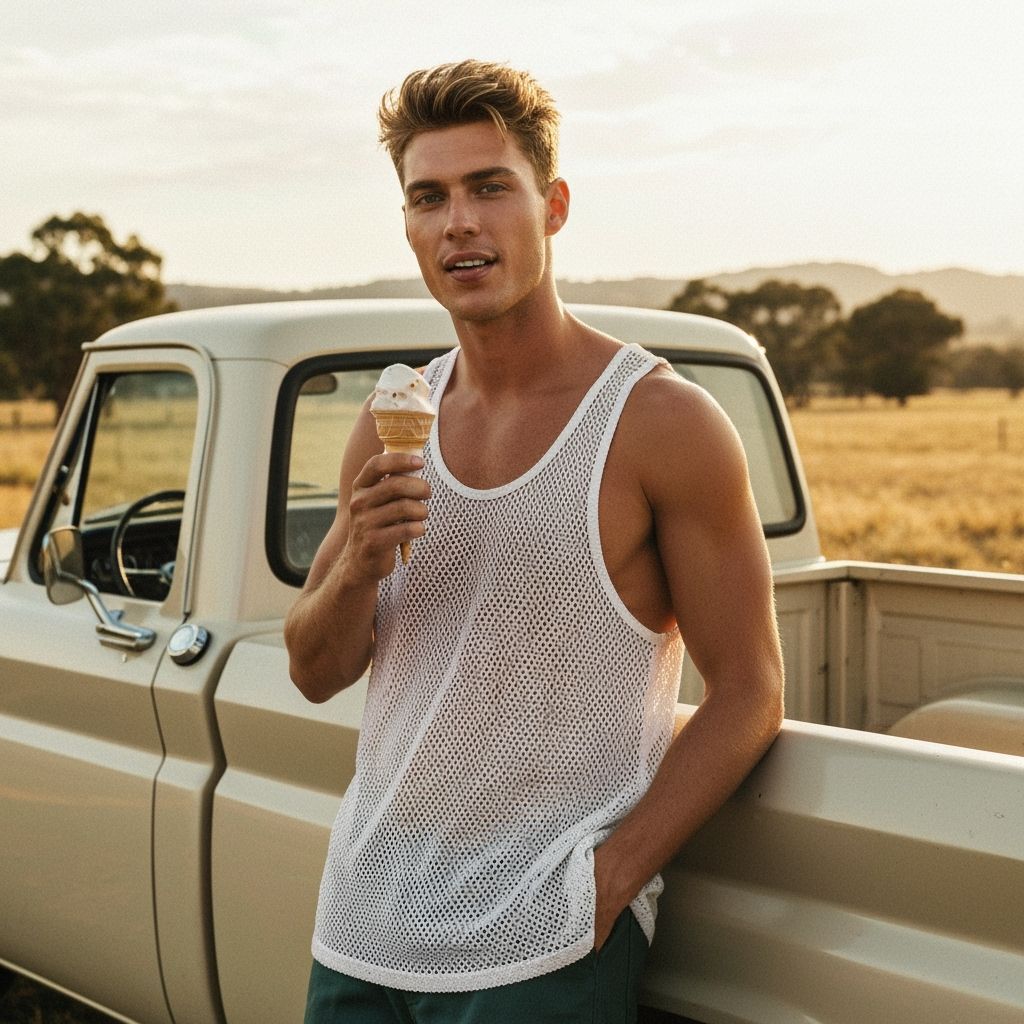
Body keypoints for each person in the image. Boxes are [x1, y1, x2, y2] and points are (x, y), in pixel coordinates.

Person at [285, 59, 785, 1023]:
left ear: (552, 206)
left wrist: (603, 888)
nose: (458, 222)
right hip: (359, 928)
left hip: (540, 949)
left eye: (489, 188)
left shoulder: (661, 423)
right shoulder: (396, 415)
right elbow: (313, 668)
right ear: (407, 224)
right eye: (427, 197)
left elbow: (752, 690)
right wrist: (357, 560)